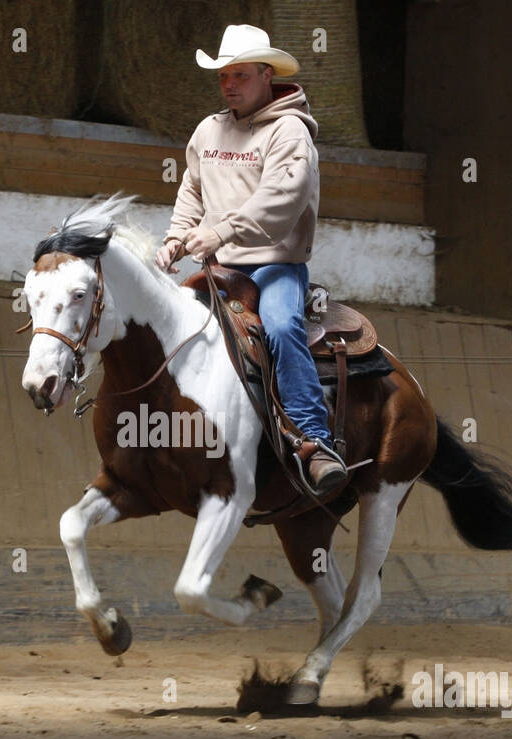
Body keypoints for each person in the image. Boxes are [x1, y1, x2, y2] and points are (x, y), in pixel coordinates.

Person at [156, 23, 348, 494]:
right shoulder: (208, 130)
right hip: (220, 268)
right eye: (224, 76)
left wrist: (219, 231)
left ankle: (313, 440)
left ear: (266, 75)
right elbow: (192, 191)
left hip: (275, 266)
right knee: (167, 329)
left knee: (281, 327)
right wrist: (177, 237)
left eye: (240, 75)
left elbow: (281, 200)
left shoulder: (290, 133)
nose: (229, 85)